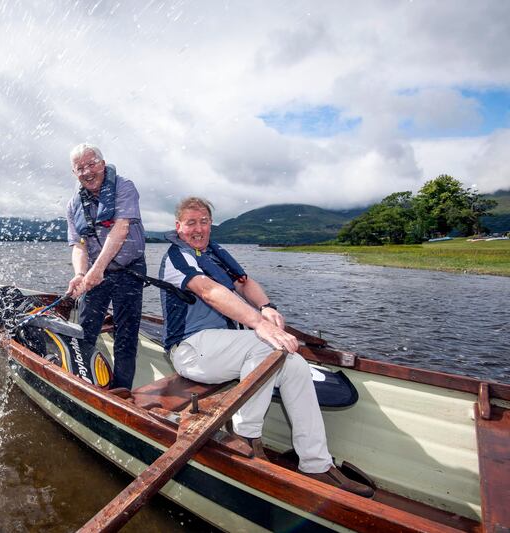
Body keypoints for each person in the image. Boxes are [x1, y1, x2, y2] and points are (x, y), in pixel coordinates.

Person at [158, 196, 373, 497]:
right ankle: (245, 435)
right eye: (191, 222)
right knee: (265, 346)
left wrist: (266, 306)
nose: (198, 228)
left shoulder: (216, 253)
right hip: (191, 349)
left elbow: (245, 283)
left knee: (294, 363)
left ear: (211, 225)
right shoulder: (176, 258)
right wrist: (260, 323)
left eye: (204, 221)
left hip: (224, 349)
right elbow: (208, 291)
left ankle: (316, 463)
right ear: (178, 226)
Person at [65, 143, 146, 390]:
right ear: (74, 173)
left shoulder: (124, 187)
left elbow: (120, 230)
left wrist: (96, 270)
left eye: (92, 164)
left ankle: (121, 393)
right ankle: (87, 385)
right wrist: (81, 274)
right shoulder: (73, 205)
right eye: (80, 168)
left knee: (126, 335)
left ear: (102, 163)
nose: (87, 172)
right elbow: (79, 245)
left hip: (129, 270)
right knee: (86, 330)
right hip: (95, 274)